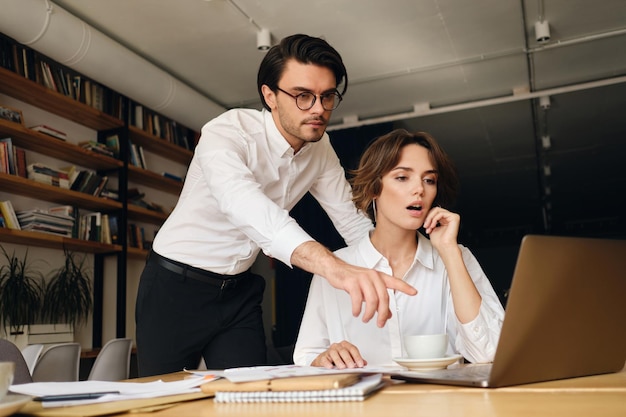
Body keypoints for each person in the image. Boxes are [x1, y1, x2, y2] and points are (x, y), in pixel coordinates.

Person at [135, 34, 416, 376]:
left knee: (254, 395)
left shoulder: (320, 147)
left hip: (239, 291)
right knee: (158, 398)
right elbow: (249, 210)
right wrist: (335, 268)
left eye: (327, 96)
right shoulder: (226, 134)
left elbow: (352, 222)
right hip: (174, 286)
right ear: (270, 96)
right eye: (303, 96)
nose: (318, 109)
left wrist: (407, 263)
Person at [293, 129, 505, 368]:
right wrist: (325, 358)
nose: (419, 190)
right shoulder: (335, 267)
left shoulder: (456, 257)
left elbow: (491, 352)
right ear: (374, 187)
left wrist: (449, 252)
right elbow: (306, 356)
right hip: (364, 404)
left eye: (429, 180)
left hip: (442, 403)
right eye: (402, 177)